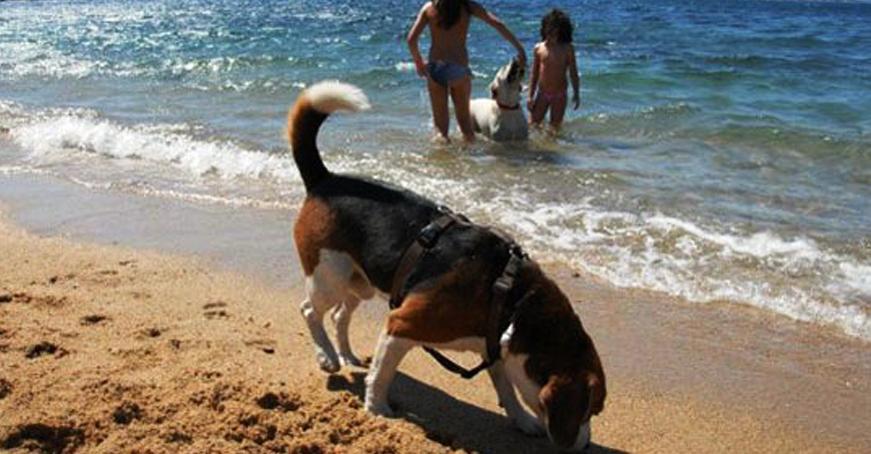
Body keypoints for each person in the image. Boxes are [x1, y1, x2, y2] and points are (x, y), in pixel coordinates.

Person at [407, 0, 526, 143]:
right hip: (459, 69)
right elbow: (497, 23)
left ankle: (441, 156)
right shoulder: (467, 6)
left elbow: (411, 39)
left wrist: (418, 62)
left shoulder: (429, 8)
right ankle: (468, 156)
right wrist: (520, 49)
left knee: (440, 129)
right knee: (466, 127)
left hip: (435, 68)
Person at [527, 9, 579, 131]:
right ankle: (535, 143)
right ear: (544, 30)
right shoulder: (539, 48)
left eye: (554, 32)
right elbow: (534, 74)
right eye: (549, 31)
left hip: (559, 95)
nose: (551, 36)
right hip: (542, 94)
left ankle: (551, 143)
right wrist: (530, 96)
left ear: (561, 32)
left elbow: (573, 73)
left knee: (554, 128)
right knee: (532, 124)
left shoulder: (567, 49)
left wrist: (576, 93)